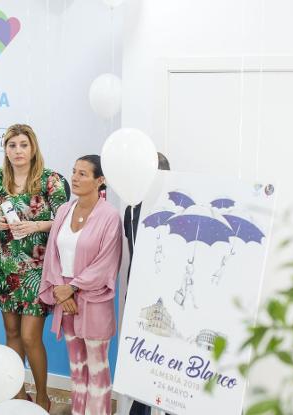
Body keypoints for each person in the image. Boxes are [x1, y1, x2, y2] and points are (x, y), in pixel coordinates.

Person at [0, 124, 68, 410]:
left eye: (23, 144)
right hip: (6, 267)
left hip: (37, 269)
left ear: (33, 148)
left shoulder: (50, 181)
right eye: (12, 145)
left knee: (31, 336)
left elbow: (64, 222)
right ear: (5, 150)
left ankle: (43, 397)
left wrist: (35, 225)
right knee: (11, 334)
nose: (17, 151)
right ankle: (18, 395)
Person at [39, 155, 122, 415]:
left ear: (100, 181)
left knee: (97, 367)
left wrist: (73, 287)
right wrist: (60, 292)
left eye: (83, 174)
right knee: (77, 366)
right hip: (65, 301)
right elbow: (51, 254)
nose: (74, 178)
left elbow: (106, 263)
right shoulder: (64, 210)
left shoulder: (110, 217)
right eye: (74, 172)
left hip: (94, 302)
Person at [124, 152, 170, 415]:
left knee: (170, 371)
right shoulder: (131, 210)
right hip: (139, 300)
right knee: (142, 368)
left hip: (169, 304)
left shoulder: (177, 213)